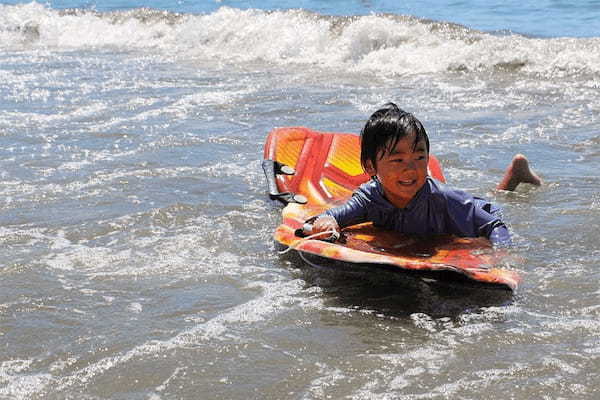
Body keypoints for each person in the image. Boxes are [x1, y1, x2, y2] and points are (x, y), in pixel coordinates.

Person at [309, 102, 541, 246]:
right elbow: (337, 215)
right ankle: (515, 173)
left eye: (419, 157)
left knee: (500, 201)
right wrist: (328, 221)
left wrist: (501, 258)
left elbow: (493, 225)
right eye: (397, 160)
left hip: (476, 208)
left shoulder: (444, 201)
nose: (411, 168)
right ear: (370, 168)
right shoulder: (370, 197)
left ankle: (515, 176)